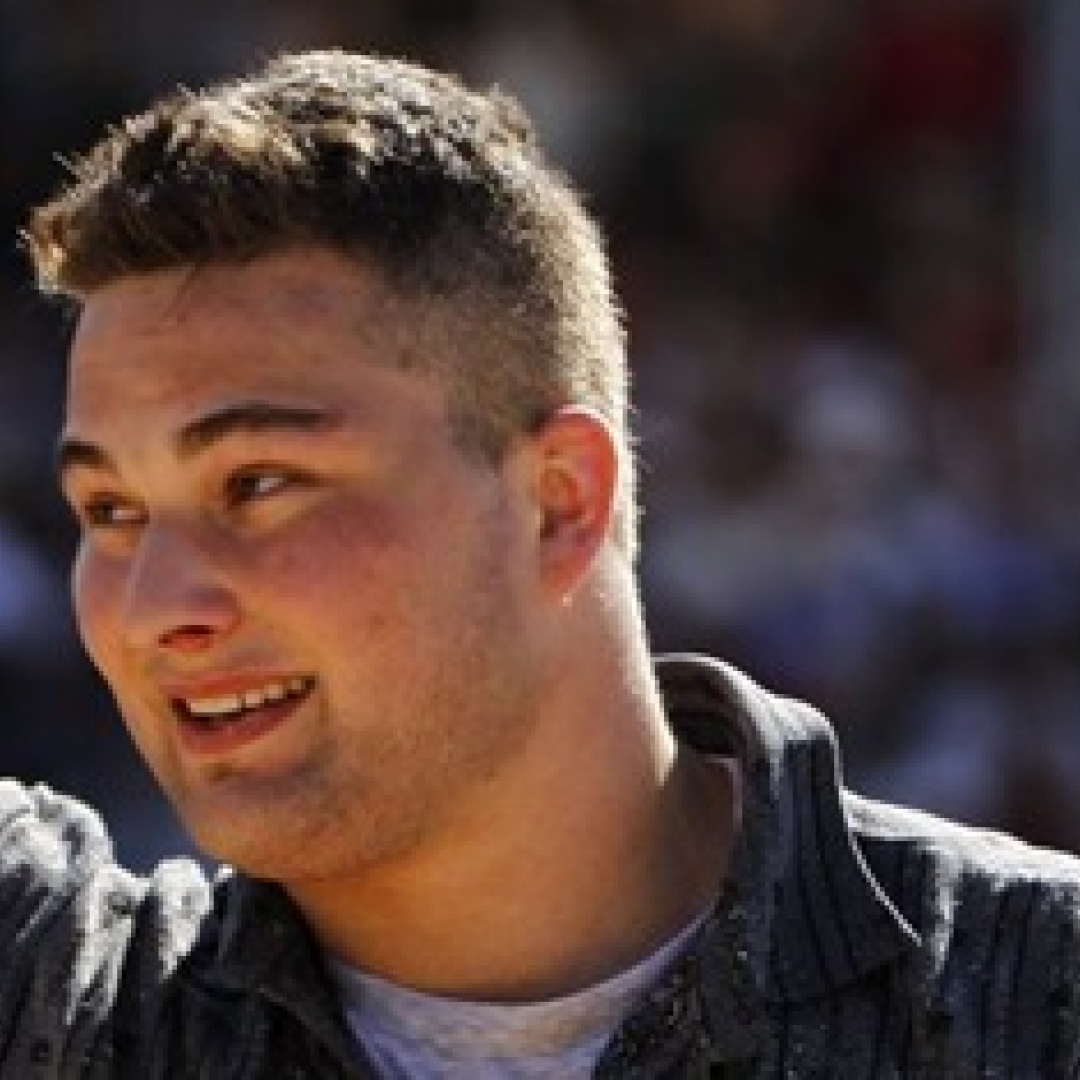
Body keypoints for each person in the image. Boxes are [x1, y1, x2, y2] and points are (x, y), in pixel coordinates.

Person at [7, 48, 1080, 1079]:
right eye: (110, 509)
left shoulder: (1034, 1003)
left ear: (558, 502)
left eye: (258, 483)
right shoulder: (62, 997)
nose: (154, 608)